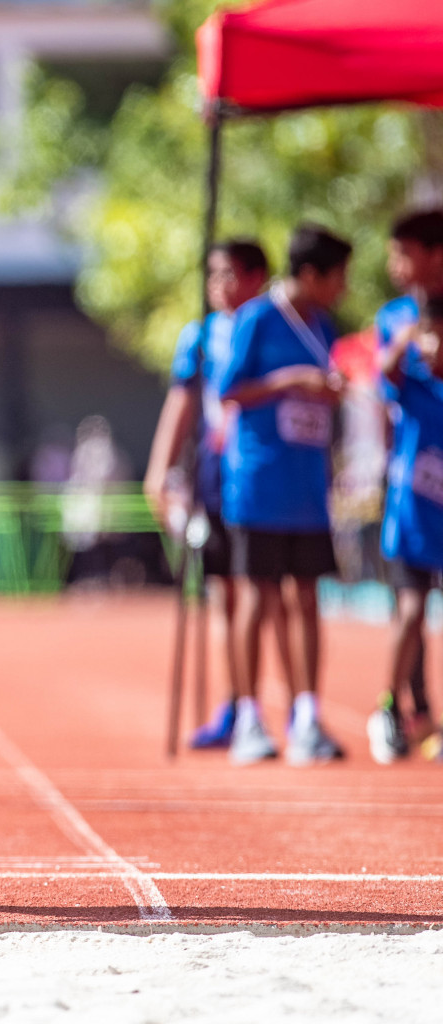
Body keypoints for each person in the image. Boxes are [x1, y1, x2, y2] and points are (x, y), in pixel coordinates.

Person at [142, 240, 285, 749]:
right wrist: (159, 470)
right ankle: (237, 702)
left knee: (271, 595)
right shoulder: (200, 336)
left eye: (229, 275)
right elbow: (182, 403)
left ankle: (287, 707)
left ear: (256, 278)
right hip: (215, 481)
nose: (217, 286)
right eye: (212, 275)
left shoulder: (277, 328)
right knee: (226, 595)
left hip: (267, 480)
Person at [218, 224, 350, 766]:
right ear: (312, 274)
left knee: (307, 599)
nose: (343, 288)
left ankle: (306, 716)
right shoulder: (256, 318)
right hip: (259, 483)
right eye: (339, 277)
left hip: (308, 487)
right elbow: (228, 389)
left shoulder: (325, 325)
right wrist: (290, 380)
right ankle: (248, 717)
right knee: (256, 596)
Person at [368, 209, 443, 761]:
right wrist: (408, 344)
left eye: (403, 253)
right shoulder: (395, 317)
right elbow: (383, 381)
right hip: (415, 489)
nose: (395, 265)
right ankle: (395, 707)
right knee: (411, 607)